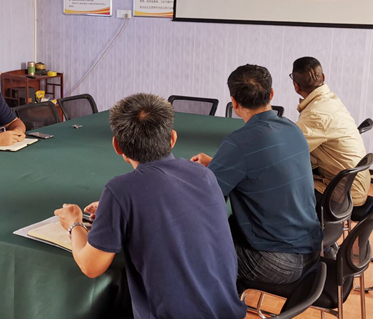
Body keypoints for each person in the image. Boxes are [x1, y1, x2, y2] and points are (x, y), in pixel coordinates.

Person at [54, 94, 246, 319]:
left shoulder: (121, 190)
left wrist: (74, 223)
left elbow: (90, 266)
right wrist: (116, 209)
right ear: (173, 138)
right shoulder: (204, 174)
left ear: (117, 146)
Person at [191, 65, 322, 285]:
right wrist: (218, 164)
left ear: (234, 103)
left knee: (190, 248)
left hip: (277, 261)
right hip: (312, 248)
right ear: (271, 94)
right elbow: (264, 169)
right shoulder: (292, 128)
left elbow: (206, 201)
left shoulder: (239, 143)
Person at [290, 57, 370, 206]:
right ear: (323, 77)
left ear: (296, 86)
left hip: (344, 193)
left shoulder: (316, 113)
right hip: (353, 183)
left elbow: (288, 152)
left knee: (280, 186)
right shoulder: (330, 100)